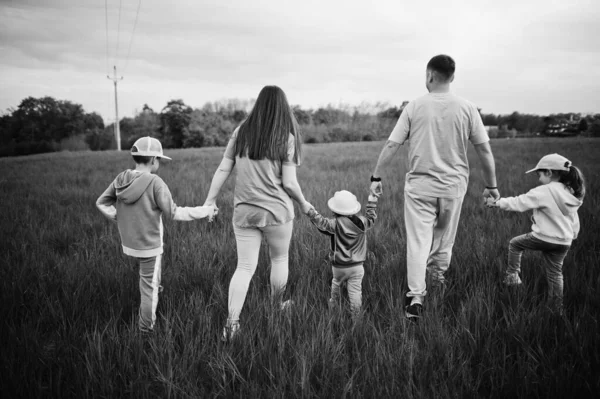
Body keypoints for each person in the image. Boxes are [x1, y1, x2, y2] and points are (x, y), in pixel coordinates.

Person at [369, 54, 500, 321]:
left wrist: (376, 177)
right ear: (452, 77)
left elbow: (392, 144)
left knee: (419, 242)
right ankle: (438, 281)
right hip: (453, 188)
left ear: (430, 75)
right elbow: (484, 150)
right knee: (444, 238)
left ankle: (416, 298)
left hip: (420, 188)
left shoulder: (414, 107)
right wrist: (491, 186)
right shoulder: (467, 108)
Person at [202, 85, 311, 341]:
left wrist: (210, 200)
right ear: (283, 107)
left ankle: (231, 325)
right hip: (277, 212)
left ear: (258, 105)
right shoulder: (286, 137)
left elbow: (222, 169)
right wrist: (305, 204)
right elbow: (290, 183)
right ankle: (277, 305)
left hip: (244, 213)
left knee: (244, 267)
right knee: (279, 259)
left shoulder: (241, 132)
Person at [96, 136, 217, 335]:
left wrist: (119, 217)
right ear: (153, 160)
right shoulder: (155, 182)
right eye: (159, 159)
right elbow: (174, 212)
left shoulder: (121, 178)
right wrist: (205, 210)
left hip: (129, 242)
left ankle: (156, 288)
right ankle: (145, 330)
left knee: (150, 278)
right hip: (149, 245)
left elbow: (102, 202)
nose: (159, 163)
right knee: (147, 289)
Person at [487, 153, 584, 313]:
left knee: (515, 244)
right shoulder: (569, 192)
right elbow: (574, 219)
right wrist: (572, 235)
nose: (538, 179)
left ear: (549, 173)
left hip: (544, 237)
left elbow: (519, 202)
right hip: (564, 242)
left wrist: (497, 203)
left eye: (539, 175)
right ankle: (556, 309)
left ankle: (512, 276)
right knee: (555, 273)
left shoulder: (544, 191)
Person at [303, 190, 378, 318]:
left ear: (334, 211)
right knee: (355, 291)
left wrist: (311, 212)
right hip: (357, 267)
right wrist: (372, 199)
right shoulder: (362, 222)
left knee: (336, 284)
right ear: (354, 209)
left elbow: (322, 223)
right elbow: (371, 217)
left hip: (339, 266)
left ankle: (334, 306)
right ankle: (356, 316)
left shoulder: (335, 224)